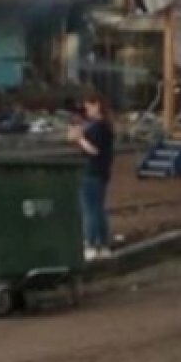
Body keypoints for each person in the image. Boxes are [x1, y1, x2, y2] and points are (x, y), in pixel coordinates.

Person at [69, 91, 115, 261]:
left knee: (89, 210)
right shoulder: (106, 126)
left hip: (91, 171)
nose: (86, 110)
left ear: (97, 105)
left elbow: (93, 150)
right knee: (99, 208)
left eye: (88, 106)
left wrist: (79, 139)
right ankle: (103, 244)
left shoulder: (97, 127)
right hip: (102, 172)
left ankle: (90, 244)